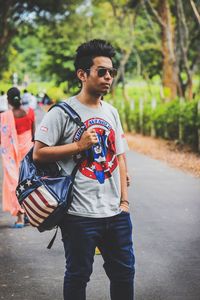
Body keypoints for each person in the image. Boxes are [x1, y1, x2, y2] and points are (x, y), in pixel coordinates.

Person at [33, 39, 135, 300]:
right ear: (82, 74)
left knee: (124, 274)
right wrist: (77, 145)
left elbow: (120, 156)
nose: (108, 77)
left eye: (111, 72)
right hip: (79, 214)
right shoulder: (62, 112)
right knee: (78, 276)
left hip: (116, 214)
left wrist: (124, 202)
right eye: (101, 71)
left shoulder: (111, 112)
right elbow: (39, 153)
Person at [0, 87, 35, 227]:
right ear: (20, 98)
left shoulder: (4, 117)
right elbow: (34, 135)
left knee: (14, 183)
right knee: (28, 182)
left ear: (8, 100)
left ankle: (20, 218)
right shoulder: (30, 112)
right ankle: (30, 214)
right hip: (27, 153)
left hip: (12, 157)